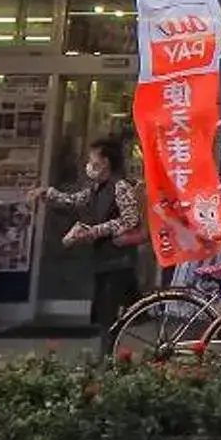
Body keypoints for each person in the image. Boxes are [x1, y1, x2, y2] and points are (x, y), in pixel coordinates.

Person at [34, 137, 143, 334]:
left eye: (93, 158)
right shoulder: (96, 188)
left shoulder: (120, 186)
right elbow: (74, 200)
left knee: (111, 314)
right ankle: (107, 357)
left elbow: (130, 219)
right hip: (104, 259)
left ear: (106, 162)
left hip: (118, 260)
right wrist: (48, 194)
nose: (89, 163)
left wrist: (96, 231)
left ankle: (109, 357)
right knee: (104, 314)